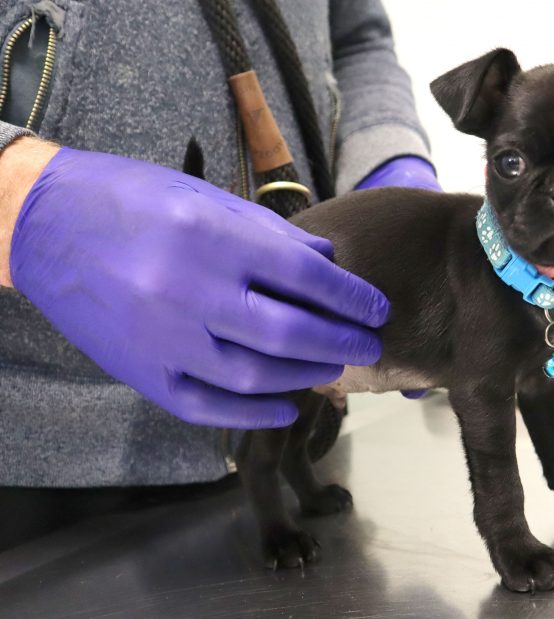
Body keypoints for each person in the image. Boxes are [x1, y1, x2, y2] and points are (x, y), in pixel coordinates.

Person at [0, 0, 439, 487]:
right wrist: (20, 203)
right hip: (31, 471)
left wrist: (388, 158)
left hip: (309, 444)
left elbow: (357, 40)